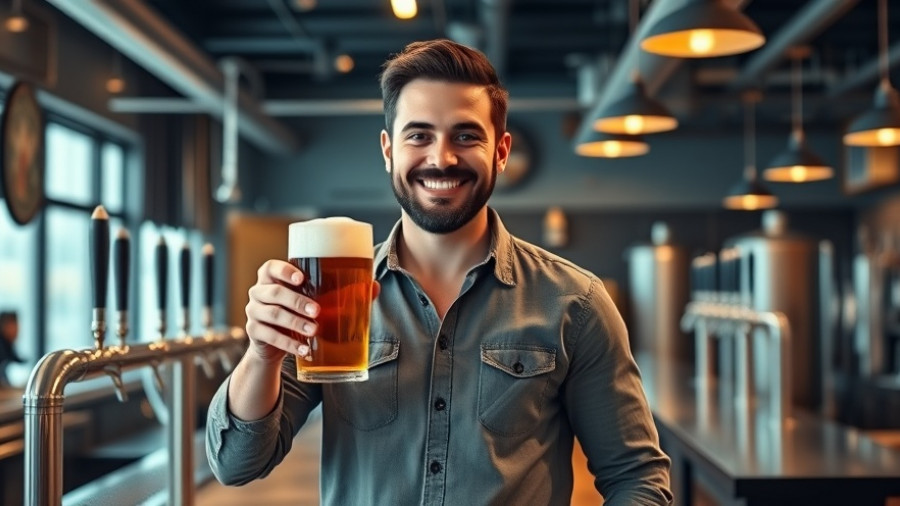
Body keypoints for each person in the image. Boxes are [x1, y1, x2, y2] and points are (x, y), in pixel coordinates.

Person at [206, 39, 672, 505]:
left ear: (501, 151)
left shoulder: (576, 303)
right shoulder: (324, 296)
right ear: (388, 150)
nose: (442, 158)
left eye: (466, 136)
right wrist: (262, 355)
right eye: (419, 135)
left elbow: (637, 478)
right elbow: (237, 462)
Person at [0, 311, 24, 387]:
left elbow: (18, 360)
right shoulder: (2, 345)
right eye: (13, 325)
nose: (17, 330)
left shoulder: (7, 345)